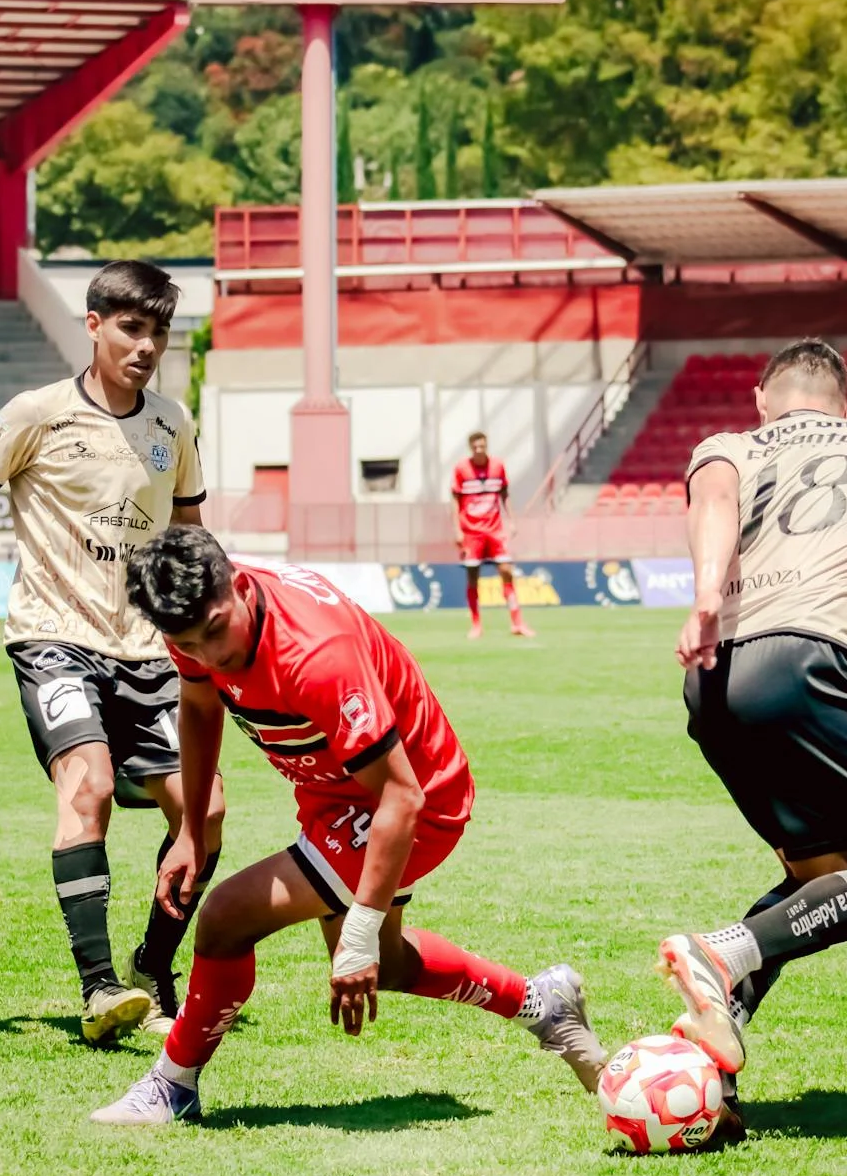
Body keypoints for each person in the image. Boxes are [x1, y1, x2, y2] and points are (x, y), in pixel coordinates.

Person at [89, 529, 606, 1125]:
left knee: (226, 919)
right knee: (389, 963)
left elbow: (401, 797)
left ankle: (171, 1086)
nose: (209, 656)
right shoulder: (193, 610)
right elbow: (202, 706)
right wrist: (191, 830)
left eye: (215, 631)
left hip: (413, 796)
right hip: (338, 788)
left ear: (240, 586)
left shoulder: (316, 655)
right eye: (187, 644)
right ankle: (544, 1004)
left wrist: (358, 931)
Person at [659, 338, 847, 1145]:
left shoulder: (728, 444)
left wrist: (708, 599)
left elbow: (715, 501)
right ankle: (723, 955)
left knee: (819, 882)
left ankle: (712, 1056)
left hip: (715, 678)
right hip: (811, 664)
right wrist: (838, 630)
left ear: (763, 399)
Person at [0, 260, 225, 1047]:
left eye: (158, 331)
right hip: (54, 639)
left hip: (151, 652)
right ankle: (98, 989)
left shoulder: (173, 425)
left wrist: (211, 625)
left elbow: (191, 537)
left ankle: (151, 967)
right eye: (131, 327)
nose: (146, 345)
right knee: (87, 783)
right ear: (93, 325)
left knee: (207, 811)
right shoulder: (38, 413)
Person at [451, 431, 534, 639]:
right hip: (471, 532)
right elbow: (455, 500)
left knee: (506, 571)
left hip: (495, 530)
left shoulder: (498, 466)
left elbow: (504, 494)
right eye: (475, 447)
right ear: (471, 448)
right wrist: (457, 530)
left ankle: (517, 622)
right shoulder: (461, 469)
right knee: (473, 576)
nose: (479, 450)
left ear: (487, 446)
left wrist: (511, 520)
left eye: (482, 446)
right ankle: (476, 625)